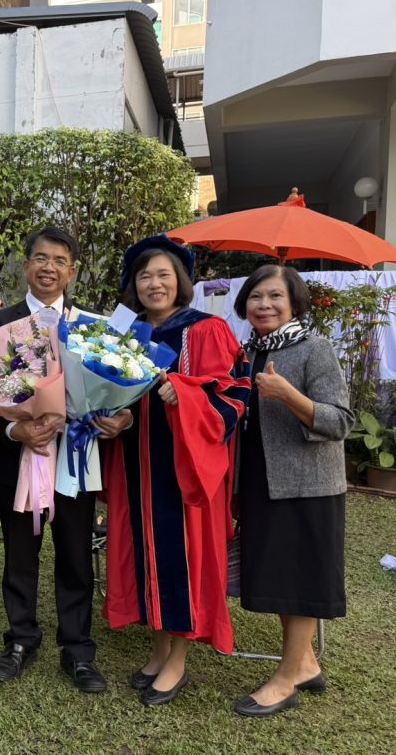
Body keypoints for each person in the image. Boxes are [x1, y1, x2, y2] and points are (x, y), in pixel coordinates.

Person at [94, 235, 250, 706]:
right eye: (144, 276)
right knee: (144, 551)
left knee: (180, 556)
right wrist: (109, 417)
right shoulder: (125, 332)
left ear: (180, 281)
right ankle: (159, 649)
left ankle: (178, 659)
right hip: (134, 465)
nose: (154, 284)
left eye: (163, 275)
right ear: (133, 284)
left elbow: (232, 394)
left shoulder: (205, 330)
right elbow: (104, 392)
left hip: (183, 469)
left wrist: (184, 393)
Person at [0, 227, 107, 694]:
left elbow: (106, 391)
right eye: (40, 258)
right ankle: (21, 639)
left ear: (71, 271)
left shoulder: (90, 326)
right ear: (26, 265)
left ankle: (77, 649)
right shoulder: (0, 322)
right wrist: (15, 429)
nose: (48, 267)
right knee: (19, 554)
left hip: (75, 457)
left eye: (58, 260)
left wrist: (108, 417)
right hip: (21, 457)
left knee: (75, 554)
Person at [230, 265, 352, 717]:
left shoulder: (314, 348)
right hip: (262, 480)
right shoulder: (248, 352)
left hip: (308, 485)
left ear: (294, 303)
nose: (264, 305)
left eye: (275, 296)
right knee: (282, 576)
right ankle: (305, 663)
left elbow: (340, 420)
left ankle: (286, 680)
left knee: (300, 579)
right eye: (256, 297)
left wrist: (288, 395)